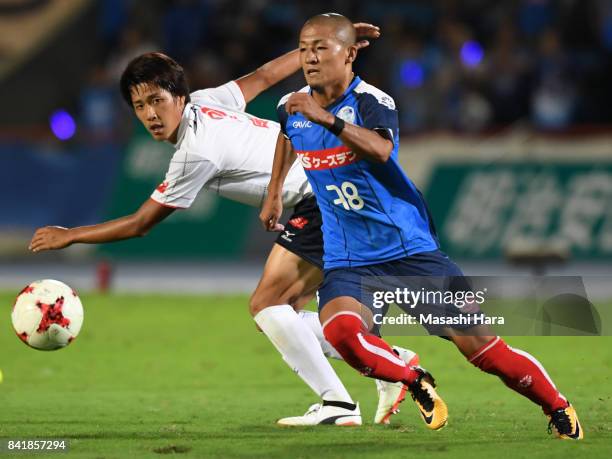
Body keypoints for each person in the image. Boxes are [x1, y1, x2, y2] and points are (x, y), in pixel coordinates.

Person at [28, 25, 422, 427]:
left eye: (156, 101)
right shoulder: (206, 102)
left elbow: (141, 223)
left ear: (178, 97)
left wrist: (71, 235)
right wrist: (314, 52)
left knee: (268, 305)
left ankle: (339, 403)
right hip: (334, 191)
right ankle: (387, 358)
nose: (149, 114)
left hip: (322, 196)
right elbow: (267, 76)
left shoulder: (195, 152)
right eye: (139, 105)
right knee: (278, 313)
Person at [261, 12, 582, 439]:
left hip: (408, 252)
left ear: (350, 54)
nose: (309, 58)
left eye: (321, 48)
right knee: (342, 332)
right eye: (303, 49)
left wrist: (328, 120)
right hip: (347, 258)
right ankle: (413, 380)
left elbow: (380, 149)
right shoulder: (293, 107)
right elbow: (287, 134)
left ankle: (557, 406)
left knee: (483, 350)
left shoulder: (373, 101)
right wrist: (274, 189)